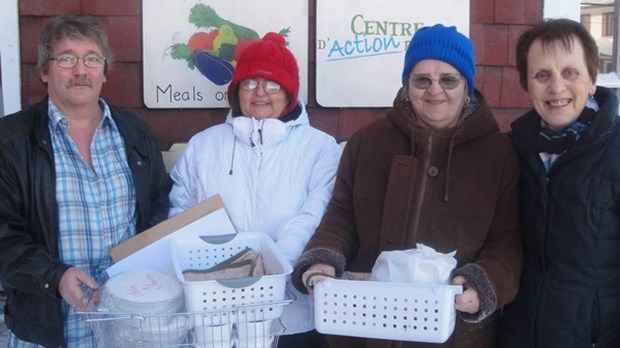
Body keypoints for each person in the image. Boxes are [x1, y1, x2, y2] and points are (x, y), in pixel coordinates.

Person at [291, 24, 523, 348]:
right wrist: (323, 258)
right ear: (407, 84)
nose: (434, 90)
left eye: (448, 80)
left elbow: (508, 241)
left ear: (466, 86)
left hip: (455, 336)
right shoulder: (366, 143)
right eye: (422, 79)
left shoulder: (499, 156)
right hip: (364, 328)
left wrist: (484, 284)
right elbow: (341, 215)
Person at [0, 15, 170, 347]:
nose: (81, 70)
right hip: (49, 330)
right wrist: (55, 276)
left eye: (92, 59)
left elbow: (158, 207)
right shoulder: (11, 141)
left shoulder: (134, 133)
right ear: (45, 71)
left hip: (128, 326)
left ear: (104, 72)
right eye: (66, 58)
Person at [168, 32, 342, 347]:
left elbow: (316, 215)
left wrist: (269, 270)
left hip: (293, 312)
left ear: (290, 93)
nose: (261, 92)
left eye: (273, 84)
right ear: (236, 90)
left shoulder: (320, 147)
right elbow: (181, 213)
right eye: (250, 83)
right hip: (216, 316)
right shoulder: (203, 145)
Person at [498, 18, 620, 348]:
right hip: (518, 334)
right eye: (542, 75)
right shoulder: (513, 150)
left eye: (570, 72)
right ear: (526, 86)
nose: (556, 87)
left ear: (592, 80)